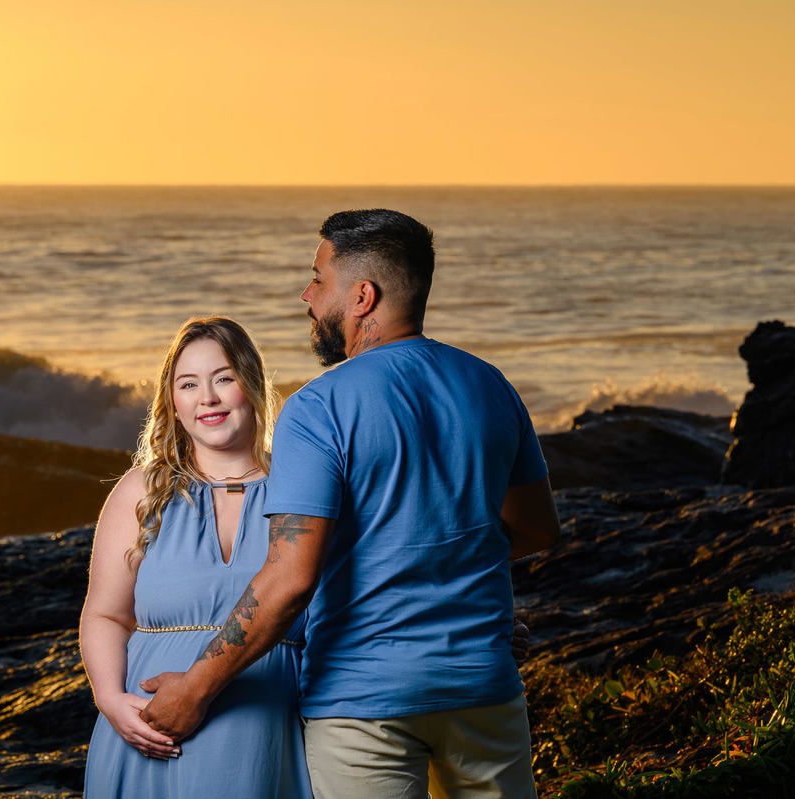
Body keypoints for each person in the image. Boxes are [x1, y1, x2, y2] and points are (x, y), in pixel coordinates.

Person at [140, 209, 562, 798]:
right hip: (483, 690)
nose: (307, 295)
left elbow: (290, 577)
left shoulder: (319, 408)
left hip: (364, 705)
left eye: (318, 278)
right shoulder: (491, 386)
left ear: (362, 296)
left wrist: (195, 689)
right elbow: (538, 529)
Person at [78, 317, 312, 798]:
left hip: (267, 732)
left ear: (252, 387)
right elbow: (105, 613)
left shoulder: (304, 490)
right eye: (189, 384)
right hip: (146, 733)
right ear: (173, 402)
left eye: (223, 378)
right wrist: (110, 700)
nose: (207, 398)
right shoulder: (139, 492)